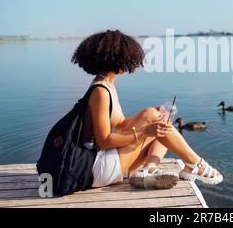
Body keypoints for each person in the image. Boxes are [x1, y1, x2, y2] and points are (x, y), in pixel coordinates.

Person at [72, 30, 223, 189]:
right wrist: (145, 130)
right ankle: (196, 164)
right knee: (152, 118)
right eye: (127, 57)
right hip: (97, 168)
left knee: (156, 119)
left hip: (103, 163)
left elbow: (122, 124)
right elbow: (104, 142)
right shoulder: (100, 92)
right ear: (115, 59)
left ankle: (148, 168)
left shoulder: (106, 85)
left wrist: (151, 120)